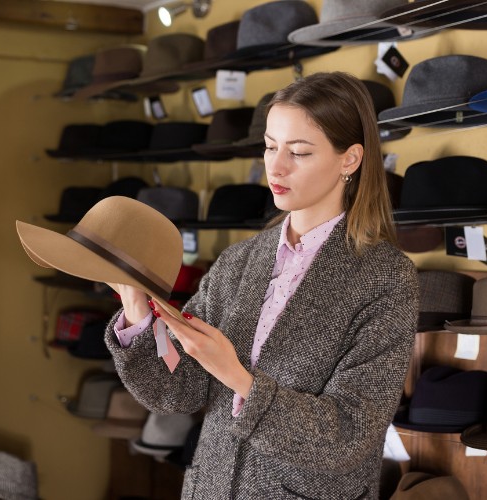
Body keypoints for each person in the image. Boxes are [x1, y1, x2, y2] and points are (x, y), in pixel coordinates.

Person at [106, 72, 419, 499]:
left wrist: (238, 377)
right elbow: (178, 392)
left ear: (350, 159)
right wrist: (135, 306)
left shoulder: (384, 277)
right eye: (270, 146)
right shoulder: (239, 262)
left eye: (299, 152)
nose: (276, 166)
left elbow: (351, 434)